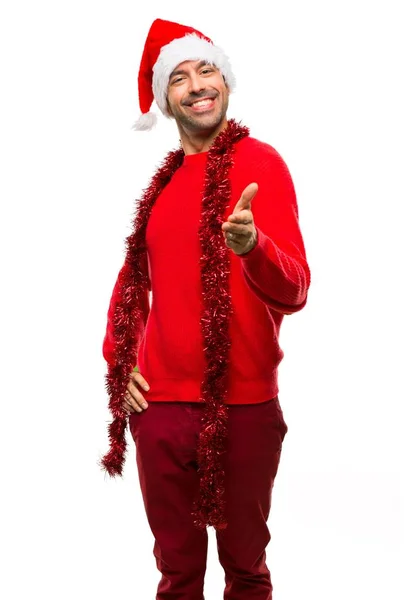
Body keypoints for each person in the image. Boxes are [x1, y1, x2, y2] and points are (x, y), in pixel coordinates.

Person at [100, 17, 311, 600]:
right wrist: (121, 367)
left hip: (245, 407)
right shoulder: (161, 189)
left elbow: (296, 288)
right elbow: (131, 285)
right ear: (166, 99)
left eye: (207, 69)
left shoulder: (262, 164)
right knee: (177, 575)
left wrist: (254, 248)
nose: (197, 85)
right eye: (180, 77)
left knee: (246, 570)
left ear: (226, 81)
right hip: (162, 410)